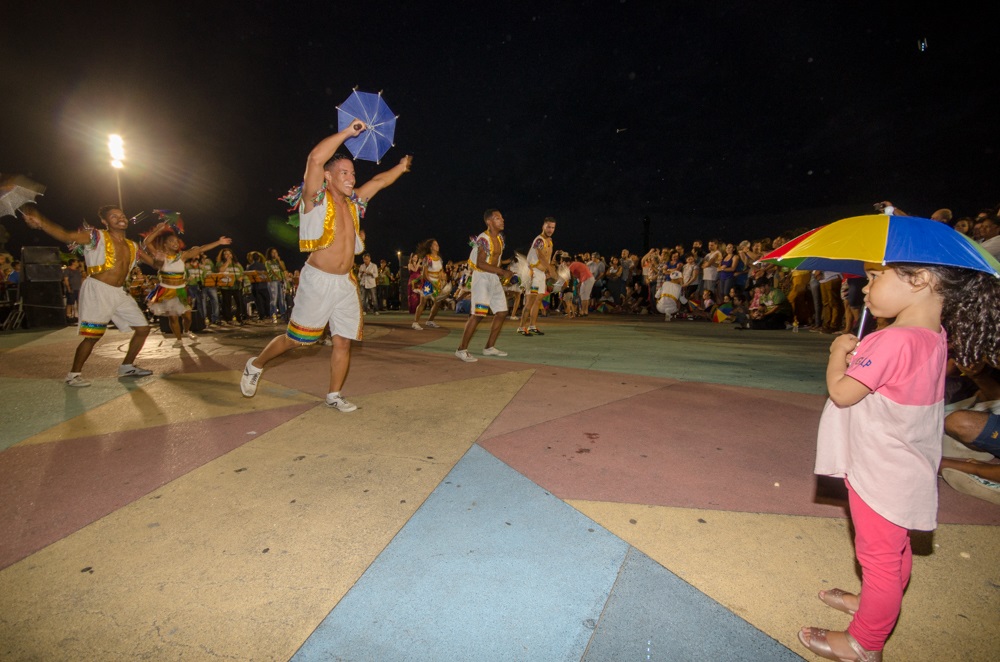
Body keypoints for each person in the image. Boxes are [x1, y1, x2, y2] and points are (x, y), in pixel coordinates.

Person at [799, 262, 1000, 661]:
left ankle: (863, 642)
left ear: (921, 280)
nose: (865, 287)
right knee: (894, 547)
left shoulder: (893, 341)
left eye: (876, 277)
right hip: (906, 461)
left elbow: (842, 392)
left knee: (879, 558)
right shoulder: (934, 335)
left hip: (880, 466)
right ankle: (873, 604)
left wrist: (838, 354)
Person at [240, 121, 412, 412]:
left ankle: (334, 395)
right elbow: (315, 159)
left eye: (353, 173)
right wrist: (347, 133)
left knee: (343, 341)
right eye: (344, 172)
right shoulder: (314, 200)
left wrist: (401, 167)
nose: (351, 178)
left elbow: (380, 182)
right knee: (296, 341)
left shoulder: (354, 203)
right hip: (318, 281)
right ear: (328, 177)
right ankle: (256, 364)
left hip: (345, 283)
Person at [21, 204, 161, 386]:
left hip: (119, 293)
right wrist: (42, 222)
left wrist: (159, 258)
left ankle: (127, 366)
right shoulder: (96, 236)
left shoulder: (132, 246)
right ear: (104, 221)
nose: (120, 218)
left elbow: (156, 265)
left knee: (143, 329)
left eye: (122, 215)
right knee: (93, 335)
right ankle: (73, 375)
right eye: (114, 216)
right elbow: (66, 235)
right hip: (98, 290)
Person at [143, 223, 231, 343]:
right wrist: (158, 229)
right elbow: (147, 242)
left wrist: (218, 242)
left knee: (188, 316)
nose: (175, 243)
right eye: (172, 241)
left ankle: (186, 330)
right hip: (166, 290)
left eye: (177, 241)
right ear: (165, 244)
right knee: (173, 318)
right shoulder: (160, 256)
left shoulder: (182, 256)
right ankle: (178, 340)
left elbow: (201, 249)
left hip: (181, 290)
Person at [455, 209, 513, 362]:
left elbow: (496, 260)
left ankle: (489, 347)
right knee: (478, 314)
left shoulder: (500, 238)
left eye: (502, 217)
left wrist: (504, 272)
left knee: (502, 312)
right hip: (481, 278)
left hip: (493, 277)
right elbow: (480, 263)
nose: (502, 220)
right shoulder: (483, 239)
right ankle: (461, 349)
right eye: (497, 218)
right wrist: (502, 272)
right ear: (489, 222)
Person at [518, 217, 557, 336]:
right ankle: (521, 327)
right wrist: (551, 269)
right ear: (543, 226)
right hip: (533, 273)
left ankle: (532, 326)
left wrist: (547, 270)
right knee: (530, 301)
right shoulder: (539, 240)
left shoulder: (550, 241)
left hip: (541, 274)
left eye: (553, 227)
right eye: (548, 227)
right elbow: (540, 256)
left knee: (538, 301)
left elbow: (547, 258)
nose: (550, 229)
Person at [215, 247, 245, 324]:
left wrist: (241, 277)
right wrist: (228, 262)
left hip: (236, 286)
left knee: (239, 302)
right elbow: (221, 270)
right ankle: (228, 319)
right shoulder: (220, 263)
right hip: (225, 287)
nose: (228, 255)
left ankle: (239, 317)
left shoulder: (237, 263)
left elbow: (243, 273)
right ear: (223, 256)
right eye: (226, 254)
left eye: (229, 253)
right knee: (227, 303)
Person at [245, 250, 271, 322]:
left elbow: (247, 276)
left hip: (255, 286)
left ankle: (262, 316)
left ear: (252, 258)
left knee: (259, 302)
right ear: (259, 258)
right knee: (266, 301)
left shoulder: (250, 267)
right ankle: (268, 315)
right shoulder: (263, 266)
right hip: (264, 286)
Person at [264, 247, 288, 322]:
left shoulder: (280, 262)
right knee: (274, 299)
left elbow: (284, 269)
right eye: (273, 252)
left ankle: (284, 315)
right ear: (270, 254)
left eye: (276, 252)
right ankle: (273, 315)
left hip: (281, 281)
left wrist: (279, 261)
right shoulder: (268, 262)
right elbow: (270, 271)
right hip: (273, 281)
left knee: (282, 299)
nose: (275, 254)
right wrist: (277, 277)